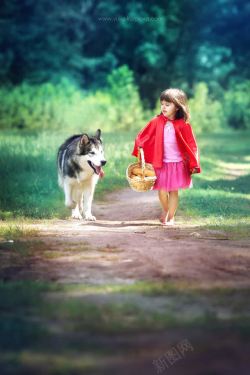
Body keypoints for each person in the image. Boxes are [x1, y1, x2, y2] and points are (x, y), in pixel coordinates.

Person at [132, 88, 201, 225]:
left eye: (167, 104)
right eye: (162, 104)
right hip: (161, 163)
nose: (163, 107)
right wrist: (140, 145)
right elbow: (143, 135)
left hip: (177, 163)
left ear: (177, 107)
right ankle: (166, 210)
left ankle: (170, 217)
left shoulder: (184, 125)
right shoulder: (156, 121)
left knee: (173, 191)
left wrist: (194, 163)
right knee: (162, 191)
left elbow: (192, 145)